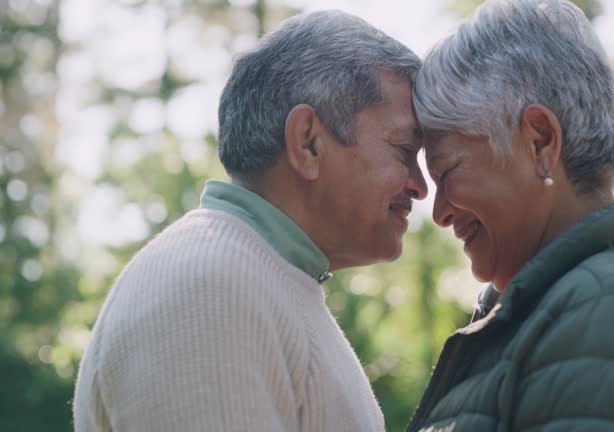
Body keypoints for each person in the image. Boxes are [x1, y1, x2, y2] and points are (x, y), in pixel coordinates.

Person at [73, 10, 427, 432]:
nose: (421, 186)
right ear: (308, 142)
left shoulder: (258, 278)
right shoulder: (209, 287)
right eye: (404, 149)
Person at [406, 0, 614, 431]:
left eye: (447, 171)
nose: (440, 213)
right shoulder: (562, 305)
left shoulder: (610, 313)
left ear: (540, 141)